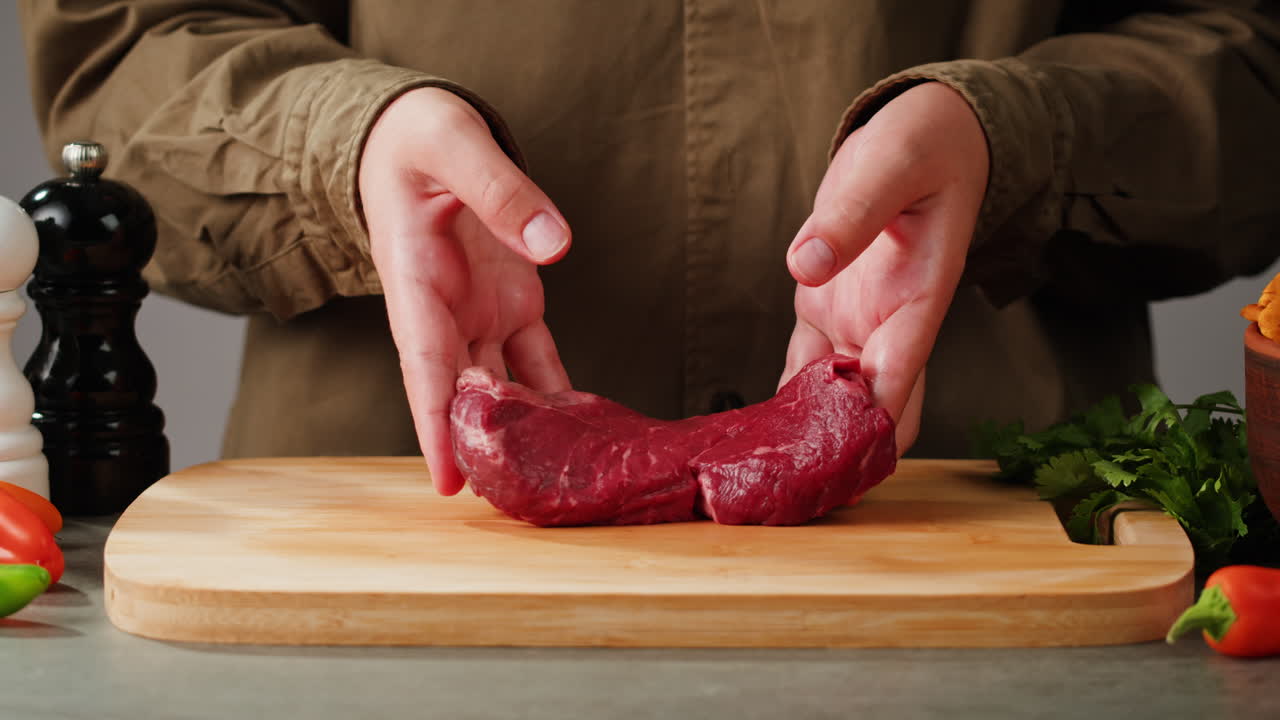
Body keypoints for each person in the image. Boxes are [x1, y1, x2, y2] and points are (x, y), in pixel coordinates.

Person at [18, 1, 1280, 495]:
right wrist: (345, 143)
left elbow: (1251, 53)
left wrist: (1017, 138)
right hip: (395, 585)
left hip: (989, 569)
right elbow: (125, 44)